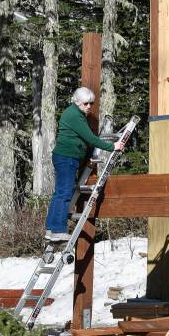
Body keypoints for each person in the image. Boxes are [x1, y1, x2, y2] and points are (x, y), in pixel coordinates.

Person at [45, 87, 124, 242]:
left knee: (60, 193)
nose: (89, 106)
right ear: (77, 102)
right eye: (85, 103)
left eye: (91, 103)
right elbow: (90, 138)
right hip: (67, 158)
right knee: (64, 194)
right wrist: (112, 146)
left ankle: (51, 228)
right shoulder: (75, 115)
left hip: (64, 157)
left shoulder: (74, 113)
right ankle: (58, 230)